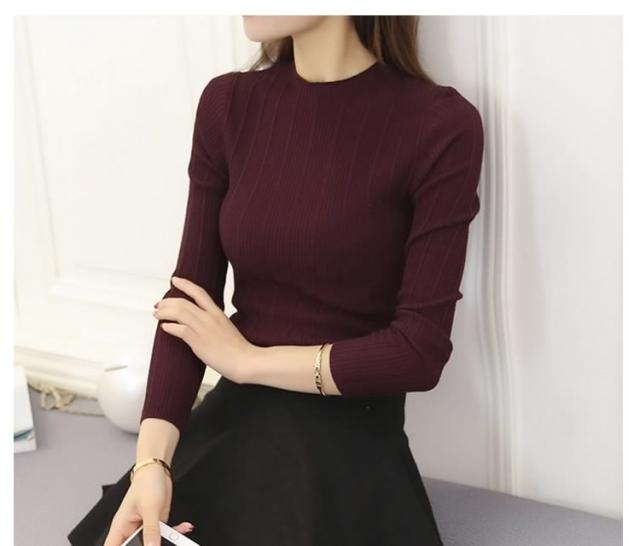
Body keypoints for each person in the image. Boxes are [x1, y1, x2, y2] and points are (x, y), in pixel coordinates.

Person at [67, 14, 484, 546]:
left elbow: (418, 352)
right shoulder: (228, 105)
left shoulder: (440, 125)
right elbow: (187, 299)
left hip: (346, 446)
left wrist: (247, 361)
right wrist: (152, 464)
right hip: (233, 424)